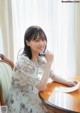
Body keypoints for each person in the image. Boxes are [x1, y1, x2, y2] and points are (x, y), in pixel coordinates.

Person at [7, 25, 77, 113]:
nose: (42, 43)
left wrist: (68, 82)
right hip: (20, 101)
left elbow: (53, 75)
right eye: (36, 40)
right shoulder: (23, 62)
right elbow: (41, 87)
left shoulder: (37, 57)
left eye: (43, 39)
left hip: (32, 93)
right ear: (27, 42)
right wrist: (49, 62)